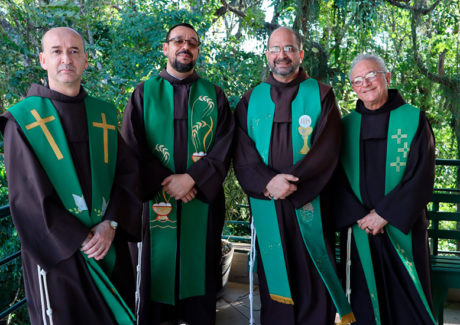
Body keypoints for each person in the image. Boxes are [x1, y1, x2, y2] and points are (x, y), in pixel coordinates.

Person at [0, 27, 141, 324]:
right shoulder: (22, 120)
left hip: (108, 249)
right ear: (42, 60)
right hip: (59, 258)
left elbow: (126, 176)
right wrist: (82, 238)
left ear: (86, 61)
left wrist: (110, 224)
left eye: (74, 51)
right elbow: (27, 200)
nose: (66, 58)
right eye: (57, 51)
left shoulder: (102, 115)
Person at [233, 26, 354, 325]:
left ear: (300, 53)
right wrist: (267, 182)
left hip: (310, 201)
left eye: (288, 48)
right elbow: (242, 150)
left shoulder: (322, 94)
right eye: (275, 49)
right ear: (267, 56)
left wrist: (291, 184)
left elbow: (329, 146)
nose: (282, 55)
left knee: (313, 272)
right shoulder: (251, 99)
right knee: (276, 276)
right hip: (268, 202)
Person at [121, 23, 234, 325]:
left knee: (200, 285)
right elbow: (133, 148)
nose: (186, 46)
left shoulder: (215, 95)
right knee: (154, 287)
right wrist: (171, 183)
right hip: (155, 204)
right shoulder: (144, 94)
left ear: (198, 50)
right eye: (179, 41)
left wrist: (193, 179)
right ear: (166, 47)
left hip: (202, 205)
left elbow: (224, 145)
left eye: (193, 43)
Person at [333, 53, 436, 324]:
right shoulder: (344, 127)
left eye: (371, 76)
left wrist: (383, 214)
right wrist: (360, 216)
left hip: (403, 229)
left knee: (409, 306)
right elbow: (335, 179)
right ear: (353, 88)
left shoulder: (414, 120)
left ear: (387, 78)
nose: (365, 84)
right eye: (357, 80)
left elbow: (421, 177)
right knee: (365, 305)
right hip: (360, 230)